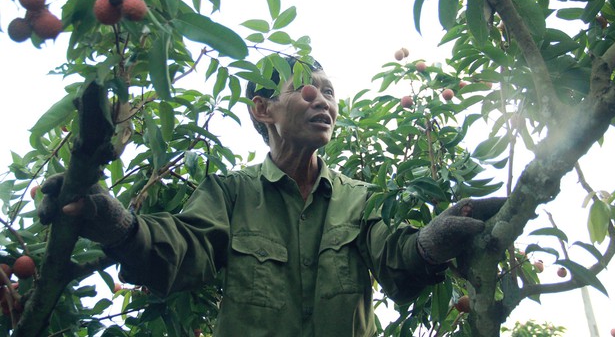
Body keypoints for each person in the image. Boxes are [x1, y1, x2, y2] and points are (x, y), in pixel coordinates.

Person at [39, 57, 505, 336]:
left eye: (329, 92)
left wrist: (434, 239)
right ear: (263, 110)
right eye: (306, 90)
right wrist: (117, 225)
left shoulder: (362, 199)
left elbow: (397, 258)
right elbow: (183, 249)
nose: (323, 101)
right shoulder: (230, 193)